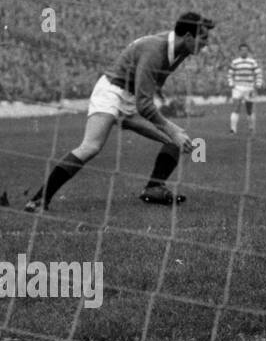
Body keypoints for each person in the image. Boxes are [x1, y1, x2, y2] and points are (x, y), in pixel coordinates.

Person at [23, 12, 215, 211]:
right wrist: (171, 128)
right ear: (188, 36)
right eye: (203, 38)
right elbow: (145, 105)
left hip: (130, 99)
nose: (206, 43)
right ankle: (39, 199)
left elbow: (153, 82)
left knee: (175, 140)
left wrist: (169, 120)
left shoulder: (181, 49)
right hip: (111, 92)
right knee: (91, 146)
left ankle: (153, 188)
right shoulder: (155, 51)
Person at [228, 42, 263, 135]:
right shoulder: (235, 62)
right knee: (236, 108)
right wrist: (231, 83)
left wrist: (258, 84)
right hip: (238, 88)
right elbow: (230, 74)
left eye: (246, 50)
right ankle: (233, 129)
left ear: (248, 51)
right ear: (239, 51)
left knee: (249, 109)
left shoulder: (252, 62)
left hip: (249, 88)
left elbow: (258, 73)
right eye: (242, 50)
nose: (244, 52)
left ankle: (251, 127)